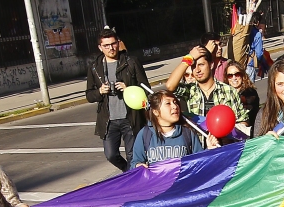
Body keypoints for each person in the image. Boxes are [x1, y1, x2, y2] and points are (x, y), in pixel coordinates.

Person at [85, 27, 148, 173]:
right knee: (111, 154)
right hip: (109, 120)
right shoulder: (95, 67)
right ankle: (129, 172)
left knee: (133, 155)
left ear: (118, 43)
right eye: (106, 45)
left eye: (113, 44)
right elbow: (89, 95)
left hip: (130, 117)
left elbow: (146, 89)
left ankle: (134, 181)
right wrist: (100, 91)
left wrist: (129, 88)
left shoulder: (131, 62)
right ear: (100, 48)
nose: (111, 48)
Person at [131, 90, 219, 168]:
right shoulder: (145, 133)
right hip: (158, 185)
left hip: (183, 185)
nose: (175, 106)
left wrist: (209, 150)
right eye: (168, 103)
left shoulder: (188, 132)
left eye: (175, 102)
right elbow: (135, 162)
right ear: (156, 112)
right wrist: (137, 166)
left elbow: (199, 162)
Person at [166, 46, 250, 125]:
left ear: (211, 65)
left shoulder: (228, 91)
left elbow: (242, 122)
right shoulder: (190, 90)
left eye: (201, 65)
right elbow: (170, 86)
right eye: (193, 66)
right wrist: (188, 58)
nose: (197, 70)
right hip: (199, 140)